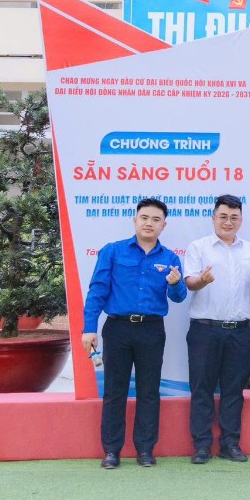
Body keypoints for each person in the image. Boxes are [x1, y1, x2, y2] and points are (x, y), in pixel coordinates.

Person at [81, 198, 187, 469]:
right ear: (135, 220)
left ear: (164, 225)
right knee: (114, 391)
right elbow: (97, 291)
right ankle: (111, 451)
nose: (149, 223)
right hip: (117, 328)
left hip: (151, 330)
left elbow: (178, 297)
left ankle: (145, 450)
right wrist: (89, 327)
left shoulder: (170, 258)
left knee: (149, 391)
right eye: (144, 218)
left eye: (156, 220)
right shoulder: (113, 251)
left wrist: (176, 284)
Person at [182, 195, 250, 465]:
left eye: (234, 217)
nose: (228, 222)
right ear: (213, 218)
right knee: (202, 388)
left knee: (233, 389)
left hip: (239, 331)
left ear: (241, 220)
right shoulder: (198, 247)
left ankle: (230, 444)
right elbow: (190, 282)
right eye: (223, 217)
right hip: (205, 329)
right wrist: (202, 281)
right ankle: (202, 446)